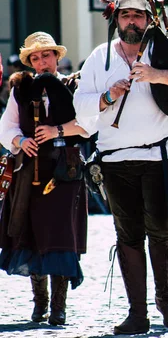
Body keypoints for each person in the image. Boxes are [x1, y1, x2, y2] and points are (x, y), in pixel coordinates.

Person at [73, 0, 168, 335]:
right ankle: (137, 312)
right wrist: (107, 97)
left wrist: (158, 75)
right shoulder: (99, 57)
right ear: (116, 20)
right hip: (116, 158)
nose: (131, 22)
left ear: (149, 20)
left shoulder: (165, 49)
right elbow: (80, 105)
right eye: (125, 16)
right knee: (128, 235)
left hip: (162, 155)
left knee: (162, 229)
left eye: (138, 16)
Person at [0, 32, 90, 326]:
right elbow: (6, 127)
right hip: (30, 171)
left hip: (65, 169)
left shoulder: (75, 86)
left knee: (61, 234)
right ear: (30, 62)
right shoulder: (21, 89)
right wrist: (19, 141)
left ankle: (59, 307)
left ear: (57, 57)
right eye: (35, 58)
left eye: (47, 55)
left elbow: (89, 127)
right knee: (33, 233)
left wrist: (57, 131)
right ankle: (40, 305)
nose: (42, 62)